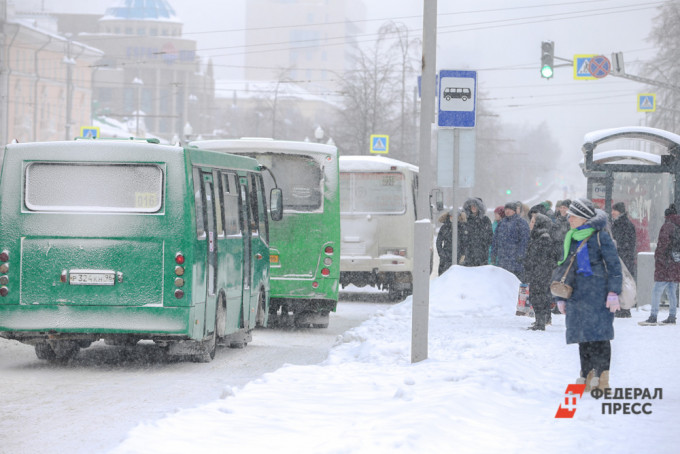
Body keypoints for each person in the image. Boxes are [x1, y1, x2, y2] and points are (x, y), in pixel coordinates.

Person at [555, 198, 622, 391]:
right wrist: (560, 296)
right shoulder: (572, 237)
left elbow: (614, 266)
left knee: (599, 337)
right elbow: (565, 268)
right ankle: (586, 374)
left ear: (584, 218)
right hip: (577, 297)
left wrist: (613, 292)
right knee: (582, 337)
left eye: (573, 216)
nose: (569, 219)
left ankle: (602, 379)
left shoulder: (601, 237)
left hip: (598, 296)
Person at [640, 203, 680, 325]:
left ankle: (653, 316)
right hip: (676, 262)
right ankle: (672, 316)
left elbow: (662, 244)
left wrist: (658, 258)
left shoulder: (667, 226)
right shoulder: (677, 225)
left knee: (657, 290)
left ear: (666, 215)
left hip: (666, 263)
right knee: (672, 290)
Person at [524, 213, 559, 330]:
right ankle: (539, 321)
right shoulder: (537, 236)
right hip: (537, 272)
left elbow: (544, 258)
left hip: (540, 273)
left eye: (533, 222)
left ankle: (540, 322)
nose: (530, 224)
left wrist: (536, 270)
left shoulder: (544, 238)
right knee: (535, 296)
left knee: (539, 296)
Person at [491, 202, 530, 281]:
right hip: (502, 259)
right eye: (506, 209)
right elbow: (495, 240)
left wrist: (521, 255)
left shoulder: (521, 223)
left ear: (514, 211)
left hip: (515, 261)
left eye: (510, 209)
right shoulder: (502, 223)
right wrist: (493, 253)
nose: (507, 211)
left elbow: (524, 241)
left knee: (515, 281)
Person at [611, 202, 637, 319]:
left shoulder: (621, 224)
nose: (612, 212)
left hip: (622, 257)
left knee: (623, 282)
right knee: (624, 282)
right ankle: (623, 307)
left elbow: (623, 242)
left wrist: (618, 251)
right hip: (625, 257)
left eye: (614, 210)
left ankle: (623, 308)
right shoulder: (625, 223)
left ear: (620, 211)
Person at [459, 198, 493, 267]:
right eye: (472, 206)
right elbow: (461, 236)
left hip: (482, 254)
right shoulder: (466, 220)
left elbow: (490, 236)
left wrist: (484, 244)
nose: (473, 208)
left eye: (475, 206)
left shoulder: (485, 220)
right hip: (468, 254)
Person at [436, 211, 453, 276]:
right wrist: (442, 254)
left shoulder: (461, 227)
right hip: (446, 257)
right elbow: (438, 242)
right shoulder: (444, 227)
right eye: (451, 216)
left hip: (458, 257)